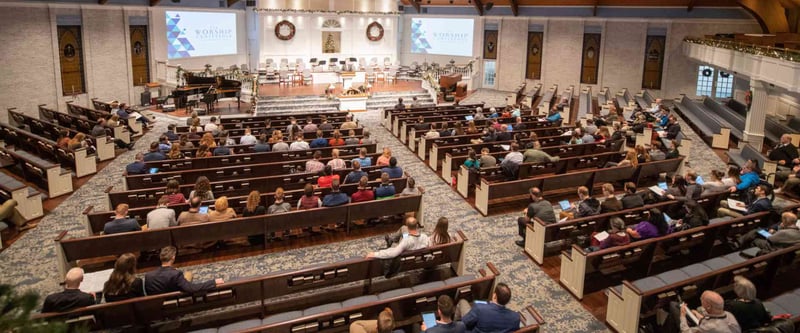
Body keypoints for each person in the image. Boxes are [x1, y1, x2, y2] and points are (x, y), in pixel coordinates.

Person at [144, 246, 223, 295]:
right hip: (173, 300)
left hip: (157, 305)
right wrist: (213, 282)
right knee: (188, 274)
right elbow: (192, 288)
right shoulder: (176, 274)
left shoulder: (148, 276)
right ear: (173, 258)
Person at [674, 290, 740, 333]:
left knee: (673, 306)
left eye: (702, 303)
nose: (702, 306)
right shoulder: (729, 315)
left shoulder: (709, 327)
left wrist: (682, 316)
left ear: (709, 307)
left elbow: (686, 331)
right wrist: (697, 314)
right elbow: (712, 321)